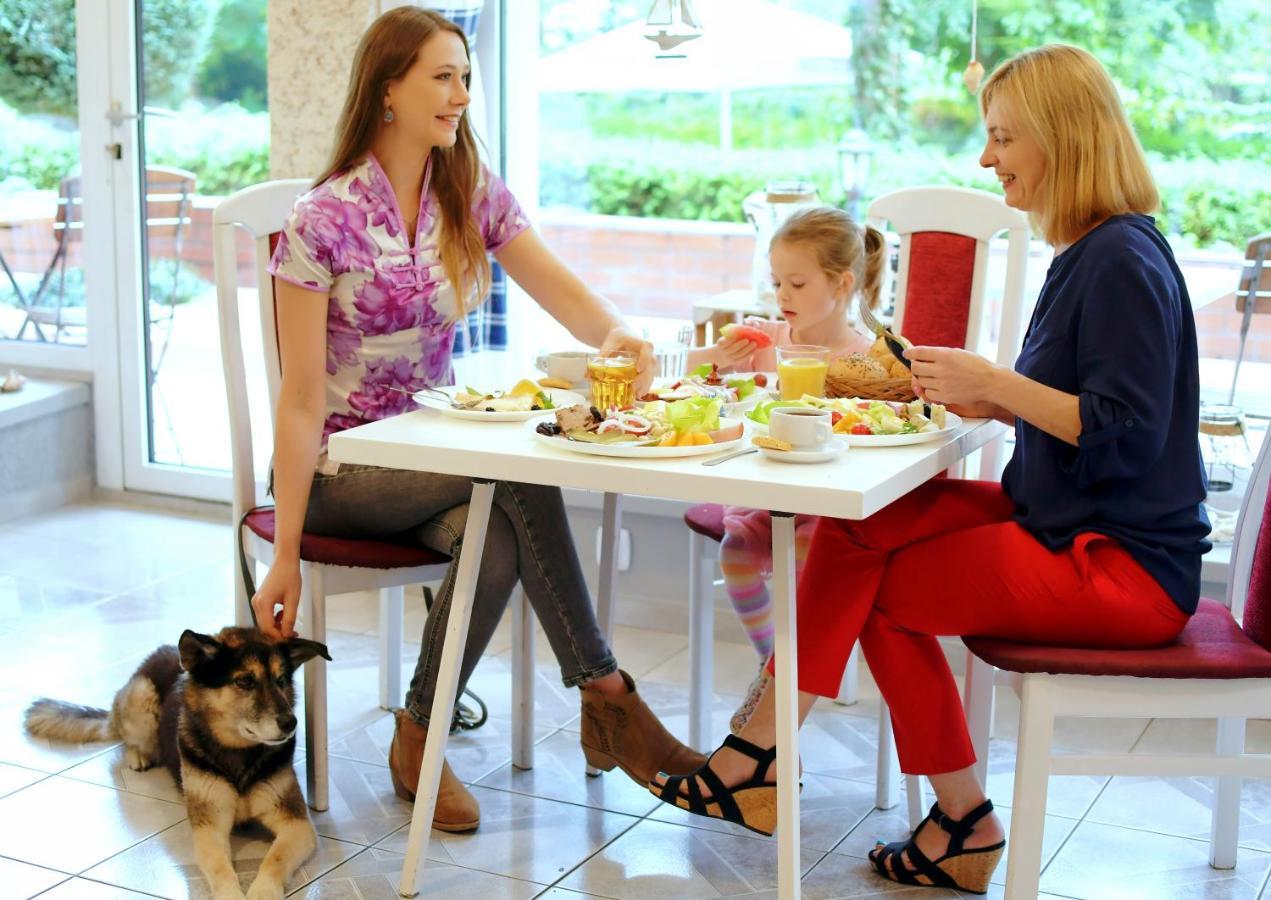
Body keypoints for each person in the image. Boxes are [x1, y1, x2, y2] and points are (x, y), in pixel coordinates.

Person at [650, 43, 1211, 895]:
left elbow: (1126, 432)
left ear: (1059, 138)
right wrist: (993, 400)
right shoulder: (1093, 251)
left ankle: (936, 812)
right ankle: (765, 757)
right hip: (1060, 516)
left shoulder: (1121, 261)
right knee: (857, 524)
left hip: (1119, 562)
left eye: (1002, 138)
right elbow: (1081, 409)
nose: (987, 159)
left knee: (891, 596)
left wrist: (998, 385)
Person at [253, 7, 703, 834]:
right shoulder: (324, 218)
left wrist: (617, 336)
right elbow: (300, 398)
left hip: (436, 460)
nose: (461, 94)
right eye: (442, 75)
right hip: (339, 472)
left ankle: (419, 734)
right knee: (516, 470)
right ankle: (606, 696)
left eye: (465, 76)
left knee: (496, 529)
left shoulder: (464, 192)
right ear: (388, 89)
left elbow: (560, 288)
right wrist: (283, 548)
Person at [691, 208, 879, 731]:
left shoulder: (862, 362)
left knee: (807, 569)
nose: (783, 295)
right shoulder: (770, 344)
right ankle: (772, 667)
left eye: (797, 282)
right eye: (777, 282)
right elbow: (710, 389)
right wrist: (723, 359)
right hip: (771, 499)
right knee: (736, 553)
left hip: (828, 511)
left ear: (842, 284)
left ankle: (788, 683)